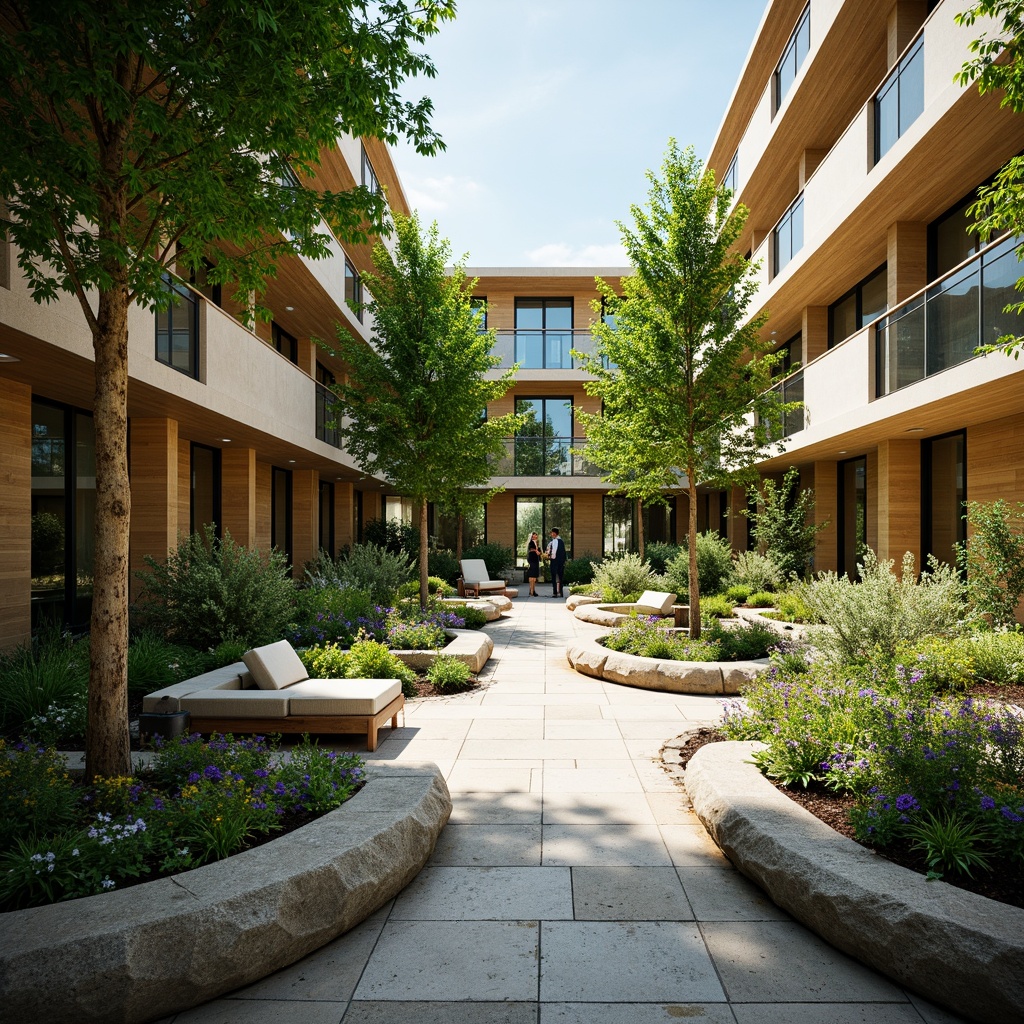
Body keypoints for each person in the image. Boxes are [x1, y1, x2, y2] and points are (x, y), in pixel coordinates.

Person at [547, 527, 566, 598]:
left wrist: (549, 556)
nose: (551, 534)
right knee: (560, 577)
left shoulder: (554, 541)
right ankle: (560, 592)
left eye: (552, 533)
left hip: (555, 561)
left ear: (554, 533)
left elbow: (553, 552)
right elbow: (564, 553)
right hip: (561, 562)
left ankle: (555, 592)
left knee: (554, 577)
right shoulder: (561, 541)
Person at [526, 532, 541, 597]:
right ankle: (531, 591)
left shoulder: (537, 543)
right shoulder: (531, 542)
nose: (535, 536)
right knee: (532, 574)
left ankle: (533, 590)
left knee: (534, 575)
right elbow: (531, 549)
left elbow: (539, 551)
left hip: (536, 559)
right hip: (532, 559)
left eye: (536, 535)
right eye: (534, 535)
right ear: (532, 536)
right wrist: (536, 551)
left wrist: (539, 553)